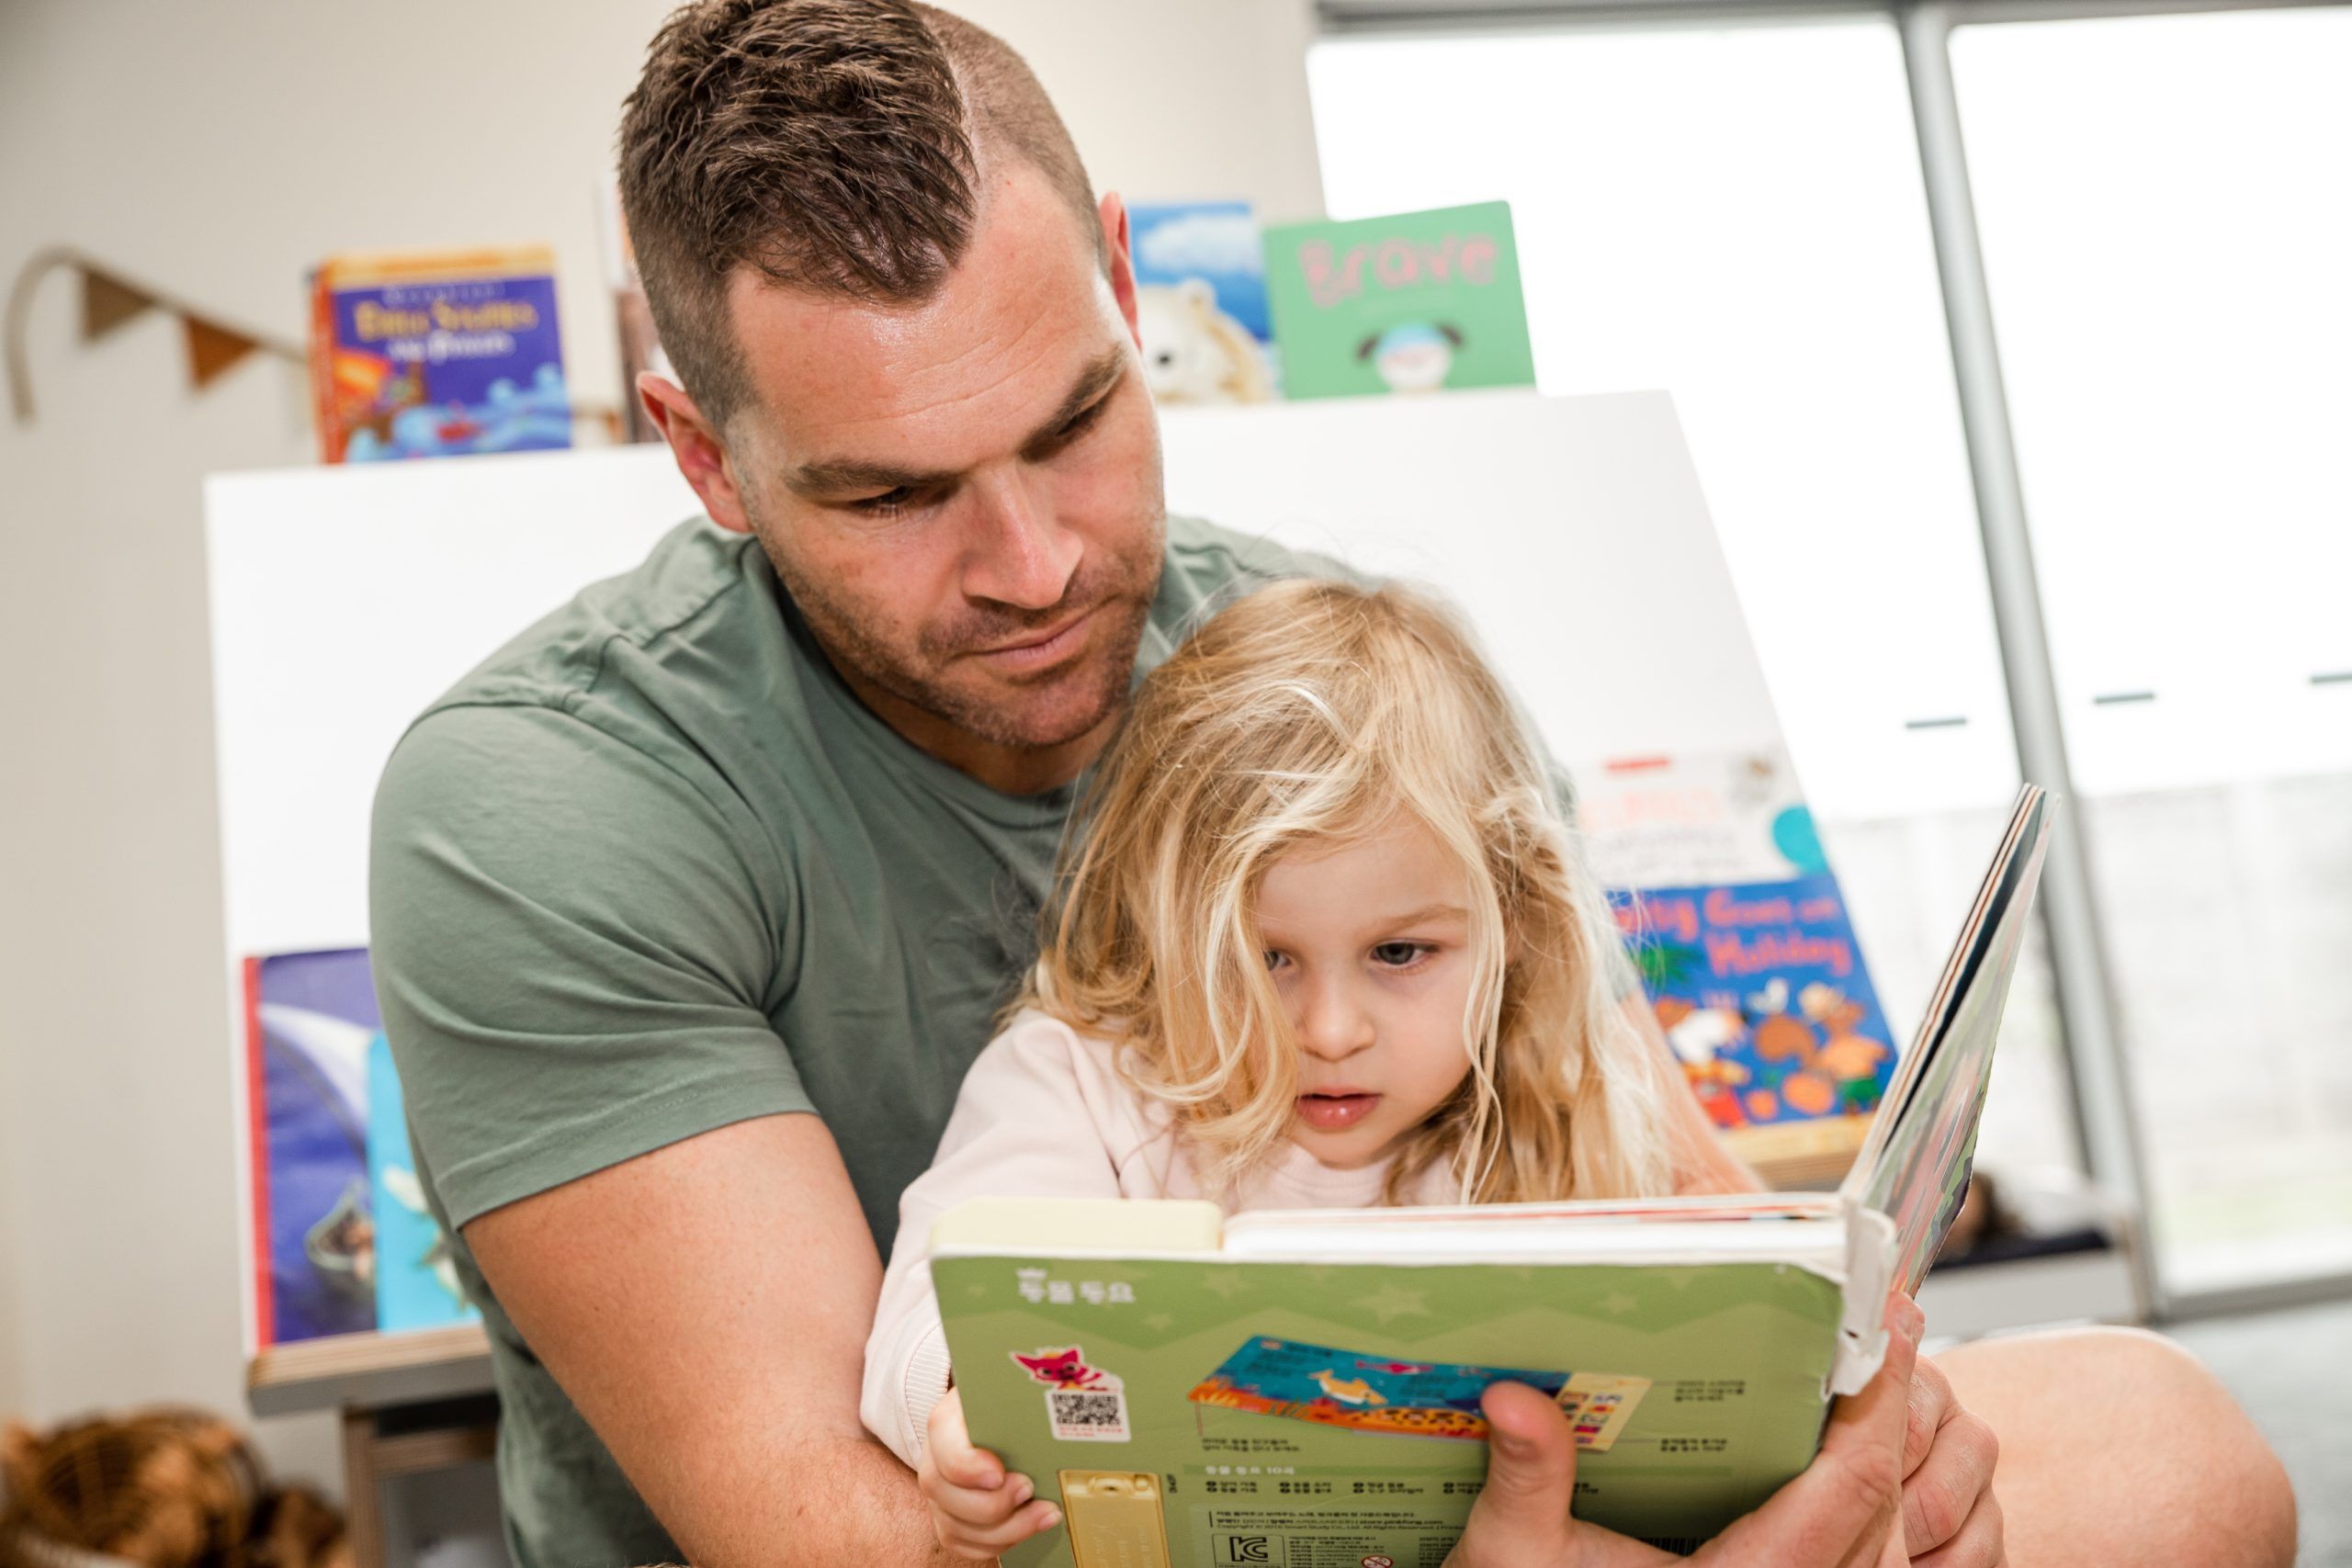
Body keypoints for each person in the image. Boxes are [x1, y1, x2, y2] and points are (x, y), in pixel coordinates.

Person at [368, 3, 2297, 1566]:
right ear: (704, 458)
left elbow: (1704, 1240)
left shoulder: (1354, 706)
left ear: (1126, 292)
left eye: (1076, 420)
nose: (1036, 560)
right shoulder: (541, 807)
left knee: (2167, 1443)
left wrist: (1855, 1437)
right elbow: (850, 1529)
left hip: (1507, 1499)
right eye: (890, 494)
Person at [862, 578, 1759, 1554]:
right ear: (1163, 928)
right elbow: (949, 1298)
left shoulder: (1542, 1106)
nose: (1330, 1032)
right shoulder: (1081, 1080)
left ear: (1514, 926)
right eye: (1265, 960)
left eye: (1400, 954)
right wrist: (962, 1407)